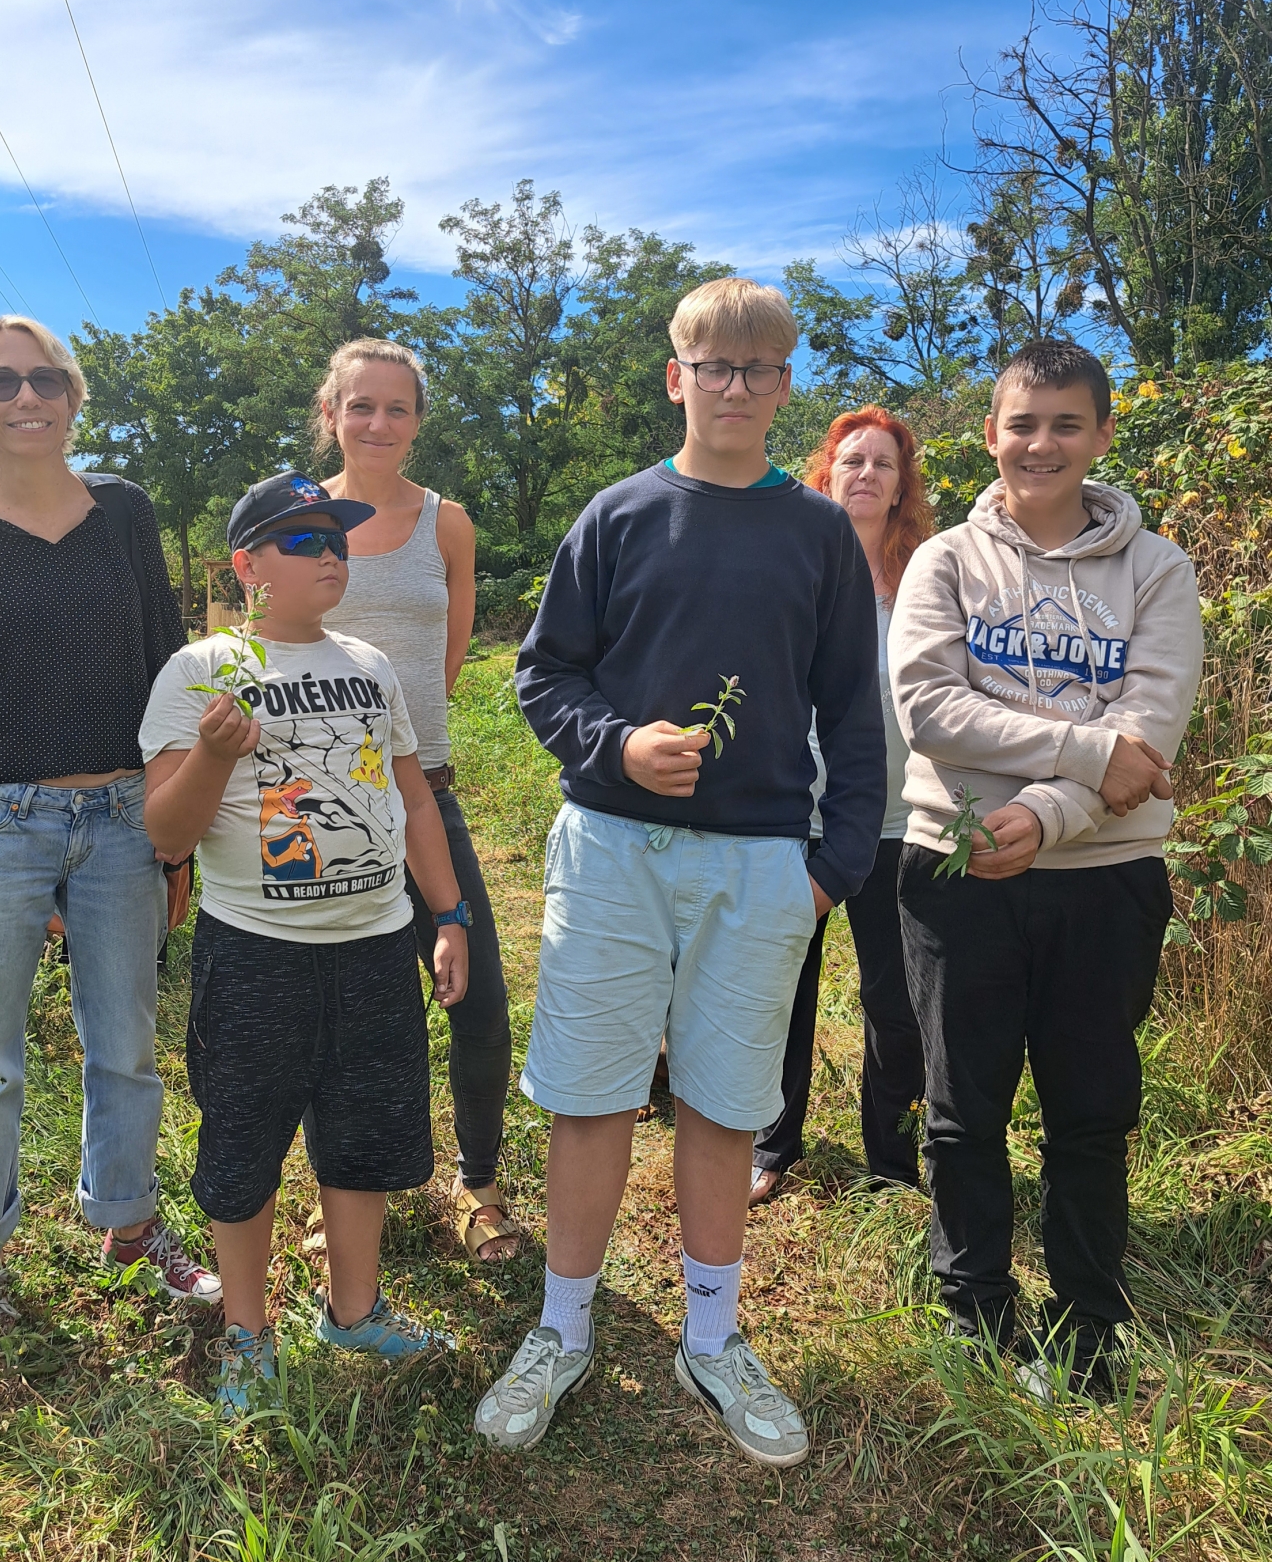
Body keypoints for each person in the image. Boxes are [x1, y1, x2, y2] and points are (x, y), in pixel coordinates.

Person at [474, 276, 885, 1465]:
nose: (739, 387)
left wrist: (831, 868)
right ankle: (563, 1328)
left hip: (762, 862)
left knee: (722, 1099)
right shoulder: (616, 516)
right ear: (678, 377)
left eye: (762, 369)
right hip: (610, 853)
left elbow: (855, 717)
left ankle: (712, 1339)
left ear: (785, 385)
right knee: (594, 1089)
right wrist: (619, 746)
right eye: (717, 366)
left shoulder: (816, 533)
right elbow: (545, 674)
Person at [889, 338, 1202, 1397]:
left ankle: (1087, 1328)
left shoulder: (1157, 570)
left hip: (1106, 880)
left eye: (1067, 423)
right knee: (960, 1106)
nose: (1042, 443)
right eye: (1023, 423)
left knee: (1091, 1108)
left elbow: (1149, 735)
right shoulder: (944, 563)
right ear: (991, 435)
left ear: (1103, 435)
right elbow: (926, 706)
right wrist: (1079, 756)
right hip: (955, 868)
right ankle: (976, 1311)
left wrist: (1044, 812)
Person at [0, 314, 218, 1300]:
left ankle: (127, 1222)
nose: (25, 398)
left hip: (120, 815)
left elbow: (164, 669)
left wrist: (173, 833)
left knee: (126, 1044)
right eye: (1, 383)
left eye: (44, 380)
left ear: (73, 396)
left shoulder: (123, 511)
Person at [140, 472, 471, 1413]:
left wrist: (446, 917)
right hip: (256, 952)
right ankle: (247, 1332)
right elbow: (167, 833)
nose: (332, 554)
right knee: (243, 1142)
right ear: (249, 566)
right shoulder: (201, 668)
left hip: (374, 944)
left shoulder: (370, 664)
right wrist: (211, 752)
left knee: (363, 1133)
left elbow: (412, 799)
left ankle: (352, 1310)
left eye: (338, 539)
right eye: (306, 541)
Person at [313, 338, 519, 1263]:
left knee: (479, 1007)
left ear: (417, 422)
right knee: (349, 1018)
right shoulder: (298, 517)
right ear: (332, 414)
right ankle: (351, 1194)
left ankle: (480, 1184)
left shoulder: (448, 523)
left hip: (423, 794)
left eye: (397, 408)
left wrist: (413, 756)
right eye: (361, 406)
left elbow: (446, 657)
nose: (379, 424)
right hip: (318, 803)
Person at [751, 408, 935, 1203]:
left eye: (884, 464)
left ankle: (891, 1162)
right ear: (827, 474)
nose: (866, 473)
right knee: (780, 989)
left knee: (896, 1000)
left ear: (902, 487)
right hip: (794, 816)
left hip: (898, 819)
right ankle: (770, 1143)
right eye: (851, 459)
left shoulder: (931, 579)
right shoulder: (794, 567)